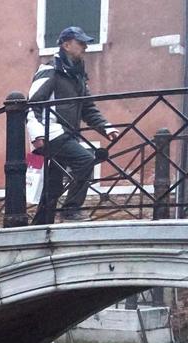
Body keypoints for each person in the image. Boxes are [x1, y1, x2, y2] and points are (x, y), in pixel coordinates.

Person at [27, 25, 120, 224]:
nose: (85, 47)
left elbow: (88, 108)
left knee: (54, 179)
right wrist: (36, 135)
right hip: (51, 131)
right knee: (85, 160)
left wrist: (107, 128)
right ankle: (71, 211)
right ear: (67, 45)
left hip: (68, 133)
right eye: (81, 43)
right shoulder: (49, 70)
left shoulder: (77, 76)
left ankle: (42, 221)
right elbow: (33, 103)